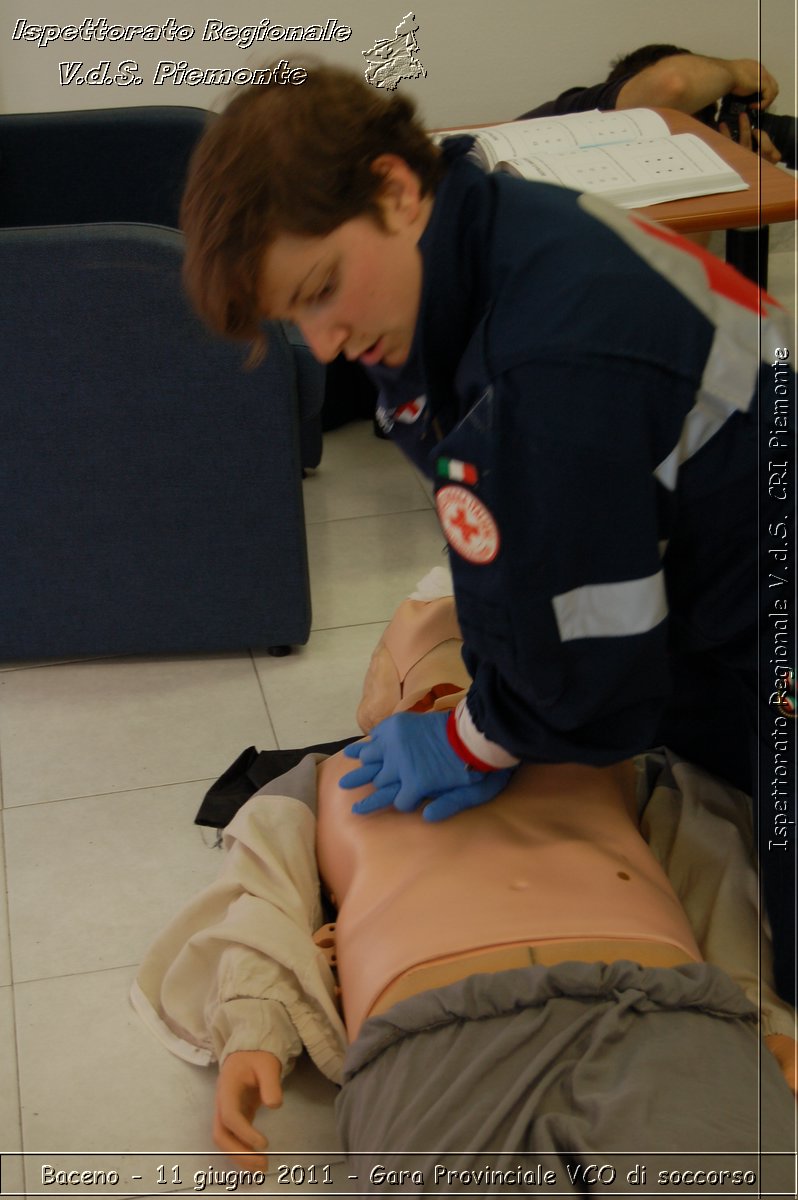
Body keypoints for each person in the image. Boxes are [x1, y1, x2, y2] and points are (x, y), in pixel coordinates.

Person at [179, 64, 795, 1005]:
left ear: (394, 188)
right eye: (296, 317)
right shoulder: (445, 271)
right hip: (720, 541)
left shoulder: (551, 356)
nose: (328, 342)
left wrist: (482, 736)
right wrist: (496, 701)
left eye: (321, 289)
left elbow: (595, 655)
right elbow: (506, 525)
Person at [131, 580, 796, 1189]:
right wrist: (254, 1029)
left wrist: (759, 1016)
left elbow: (716, 879)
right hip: (439, 1042)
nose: (453, 670)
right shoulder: (325, 781)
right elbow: (261, 897)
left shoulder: (625, 760)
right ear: (378, 698)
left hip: (666, 1013)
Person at [518, 44, 796, 169]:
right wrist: (736, 71)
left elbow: (677, 265)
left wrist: (733, 179)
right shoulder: (579, 113)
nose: (697, 134)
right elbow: (674, 83)